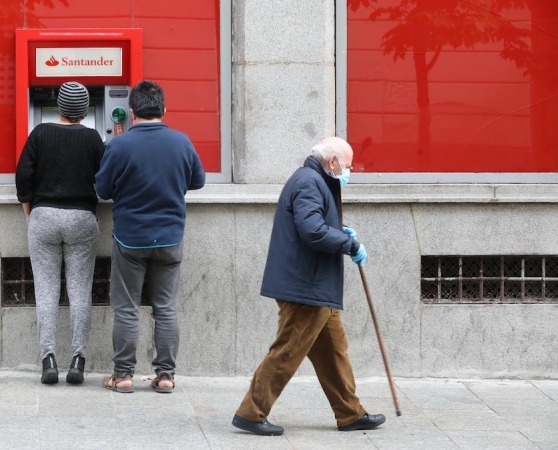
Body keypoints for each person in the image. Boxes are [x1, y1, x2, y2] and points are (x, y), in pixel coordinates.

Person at [232, 136, 385, 435]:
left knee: (333, 351)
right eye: (348, 166)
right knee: (287, 351)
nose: (349, 171)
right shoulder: (308, 182)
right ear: (332, 162)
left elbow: (317, 223)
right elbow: (312, 230)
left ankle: (350, 413)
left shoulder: (316, 180)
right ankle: (251, 412)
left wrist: (339, 231)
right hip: (306, 288)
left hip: (317, 286)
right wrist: (349, 244)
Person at [95, 80, 205, 394]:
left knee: (127, 308)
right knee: (166, 307)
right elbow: (197, 181)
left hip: (130, 238)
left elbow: (102, 190)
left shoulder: (119, 146)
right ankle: (166, 376)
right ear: (164, 110)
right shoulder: (181, 142)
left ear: (131, 112)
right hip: (170, 237)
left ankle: (123, 376)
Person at [15, 81, 105, 385]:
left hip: (44, 217)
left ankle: (49, 359)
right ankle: (78, 361)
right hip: (81, 219)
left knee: (46, 291)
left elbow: (23, 176)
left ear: (59, 106)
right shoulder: (93, 138)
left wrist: (32, 214)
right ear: (84, 110)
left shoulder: (40, 133)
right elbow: (105, 183)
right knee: (80, 292)